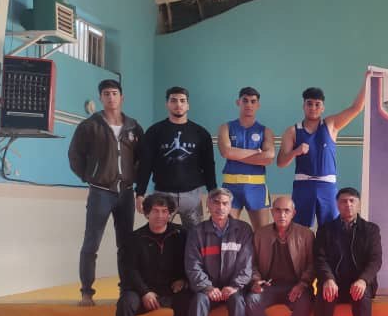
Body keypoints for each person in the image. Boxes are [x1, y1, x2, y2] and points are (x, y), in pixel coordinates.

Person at [68, 79, 143, 306]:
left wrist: (136, 180)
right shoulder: (89, 125)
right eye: (106, 94)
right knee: (91, 243)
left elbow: (142, 157)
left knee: (126, 245)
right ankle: (86, 292)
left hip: (126, 193)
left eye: (114, 93)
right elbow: (75, 155)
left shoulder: (133, 127)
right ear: (101, 98)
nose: (111, 97)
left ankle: (126, 290)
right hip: (101, 192)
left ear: (122, 97)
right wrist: (90, 176)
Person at [111, 193, 190, 316]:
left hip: (171, 289)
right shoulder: (133, 239)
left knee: (187, 302)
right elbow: (128, 270)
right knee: (125, 303)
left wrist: (183, 279)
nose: (160, 215)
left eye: (164, 211)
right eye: (155, 211)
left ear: (170, 214)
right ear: (147, 213)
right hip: (142, 291)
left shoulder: (181, 234)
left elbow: (191, 261)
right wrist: (145, 292)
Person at [277, 81, 366, 228]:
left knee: (331, 229)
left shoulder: (331, 125)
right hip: (303, 185)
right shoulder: (292, 131)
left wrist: (367, 81)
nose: (313, 108)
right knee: (299, 229)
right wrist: (296, 152)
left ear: (323, 108)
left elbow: (356, 108)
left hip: (327, 186)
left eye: (317, 104)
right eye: (309, 104)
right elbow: (280, 163)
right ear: (303, 106)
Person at [185, 188, 254, 316]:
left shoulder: (243, 230)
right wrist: (207, 287)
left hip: (233, 288)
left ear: (230, 206)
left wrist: (235, 286)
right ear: (208, 205)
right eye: (216, 203)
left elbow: (246, 264)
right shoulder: (197, 232)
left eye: (225, 203)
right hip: (207, 289)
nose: (220, 207)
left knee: (238, 302)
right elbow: (193, 265)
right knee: (198, 302)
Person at [135, 86, 217, 231]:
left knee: (196, 237)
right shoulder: (154, 132)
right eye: (173, 100)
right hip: (163, 195)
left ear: (188, 105)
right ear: (167, 104)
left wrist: (213, 192)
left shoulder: (201, 133)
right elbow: (145, 164)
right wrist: (140, 193)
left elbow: (209, 165)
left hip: (192, 196)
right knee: (160, 235)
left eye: (182, 101)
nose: (178, 104)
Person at [314, 187, 382, 316]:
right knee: (324, 294)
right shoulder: (325, 230)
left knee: (362, 295)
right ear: (337, 204)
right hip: (334, 283)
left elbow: (375, 260)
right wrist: (328, 279)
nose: (348, 205)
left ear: (358, 204)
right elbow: (319, 259)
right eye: (343, 201)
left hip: (359, 283)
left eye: (352, 201)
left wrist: (363, 280)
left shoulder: (371, 230)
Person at [246, 196, 314, 316]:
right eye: (277, 210)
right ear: (272, 212)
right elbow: (251, 264)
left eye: (286, 211)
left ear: (293, 213)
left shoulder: (306, 234)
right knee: (252, 300)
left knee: (305, 302)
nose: (282, 215)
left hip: (296, 286)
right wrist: (256, 281)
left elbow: (313, 265)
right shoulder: (260, 234)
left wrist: (303, 284)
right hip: (268, 286)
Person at [219, 87, 275, 230]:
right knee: (226, 231)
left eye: (253, 101)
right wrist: (256, 153)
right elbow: (226, 152)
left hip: (256, 188)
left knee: (262, 233)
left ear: (258, 105)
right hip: (230, 187)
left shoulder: (265, 131)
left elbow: (269, 157)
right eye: (245, 100)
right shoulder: (226, 127)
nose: (249, 104)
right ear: (238, 102)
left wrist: (235, 154)